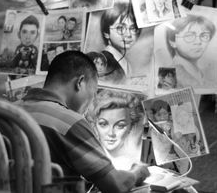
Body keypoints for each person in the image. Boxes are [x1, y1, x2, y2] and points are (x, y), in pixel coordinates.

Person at [19, 51, 149, 193]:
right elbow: (116, 185)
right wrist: (137, 172)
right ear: (80, 82)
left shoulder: (9, 110)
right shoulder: (69, 122)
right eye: (93, 94)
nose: (90, 105)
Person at [87, 90, 145, 171]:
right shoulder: (86, 159)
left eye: (120, 126)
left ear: (131, 126)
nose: (111, 133)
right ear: (95, 124)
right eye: (103, 124)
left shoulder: (133, 162)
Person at [100, 0, 141, 83]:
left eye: (133, 28)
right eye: (121, 28)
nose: (129, 34)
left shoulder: (121, 59)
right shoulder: (104, 61)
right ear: (106, 32)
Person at [166, 15, 216, 88]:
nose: (198, 42)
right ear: (172, 41)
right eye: (189, 36)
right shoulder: (168, 75)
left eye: (204, 36)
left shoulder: (203, 75)